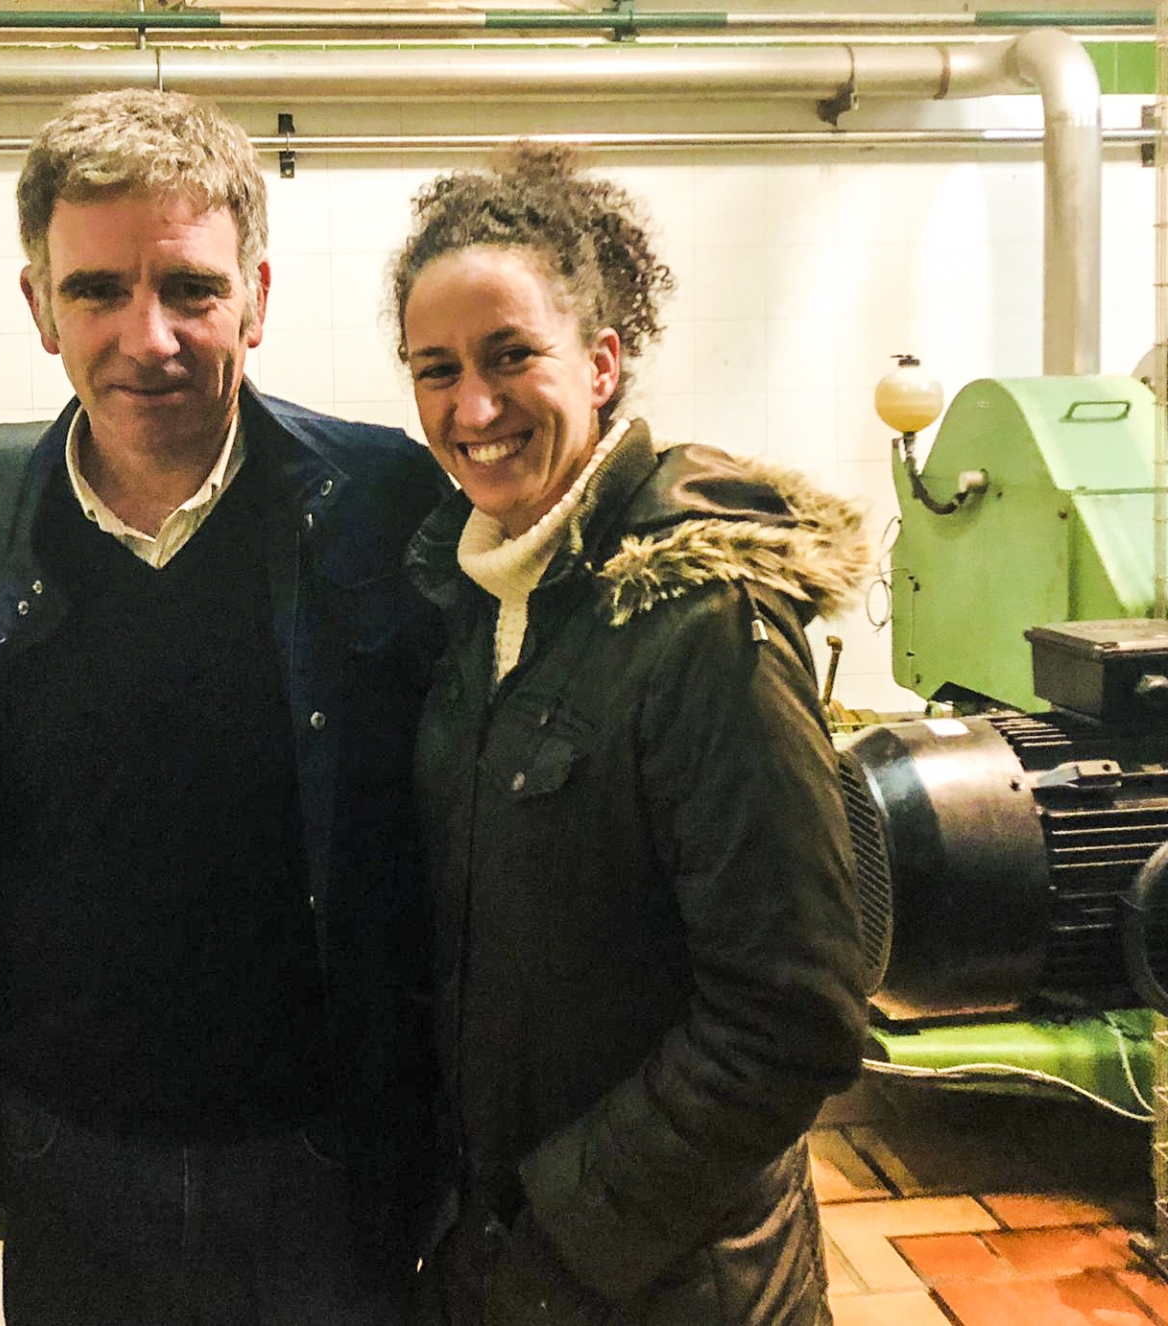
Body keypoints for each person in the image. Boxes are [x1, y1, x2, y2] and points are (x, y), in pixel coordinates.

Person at [0, 88, 448, 1325]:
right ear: (39, 306)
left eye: (189, 288)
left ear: (256, 295)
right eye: (97, 290)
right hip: (66, 1160)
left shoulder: (381, 509)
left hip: (324, 1160)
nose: (150, 336)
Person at [391, 145, 871, 1325]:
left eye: (512, 357)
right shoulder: (476, 601)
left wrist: (561, 1231)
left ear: (601, 363)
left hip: (670, 1283)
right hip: (508, 1259)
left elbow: (789, 1020)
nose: (474, 408)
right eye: (435, 370)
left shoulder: (701, 621)